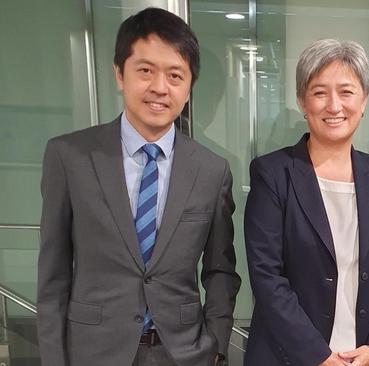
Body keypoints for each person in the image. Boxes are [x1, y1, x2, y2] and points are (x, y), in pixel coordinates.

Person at [37, 8, 241, 366]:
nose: (160, 88)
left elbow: (220, 271)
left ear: (190, 84)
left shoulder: (212, 170)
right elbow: (52, 274)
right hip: (93, 352)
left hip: (183, 353)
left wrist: (217, 345)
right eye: (145, 71)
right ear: (120, 73)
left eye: (176, 75)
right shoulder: (69, 157)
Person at [244, 39, 369, 366]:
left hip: (365, 356)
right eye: (320, 92)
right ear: (302, 102)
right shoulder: (273, 173)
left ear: (364, 100)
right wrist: (317, 355)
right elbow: (267, 276)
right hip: (289, 356)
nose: (334, 106)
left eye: (347, 92)